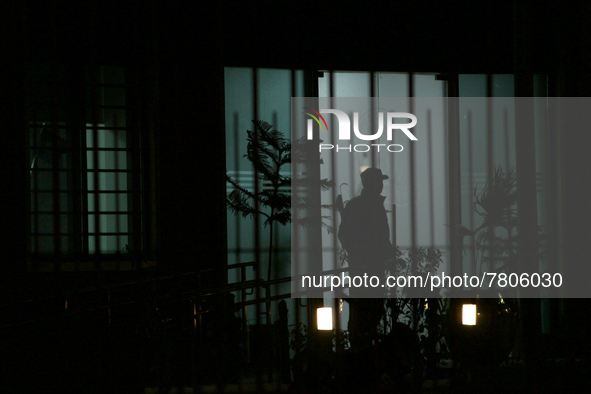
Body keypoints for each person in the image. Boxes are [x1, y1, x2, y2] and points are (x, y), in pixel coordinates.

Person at [338, 167, 393, 350]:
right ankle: (362, 352)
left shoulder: (360, 205)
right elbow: (346, 236)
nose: (381, 185)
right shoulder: (367, 206)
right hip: (368, 269)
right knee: (366, 313)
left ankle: (362, 352)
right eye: (379, 181)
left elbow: (345, 235)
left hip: (367, 268)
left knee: (366, 313)